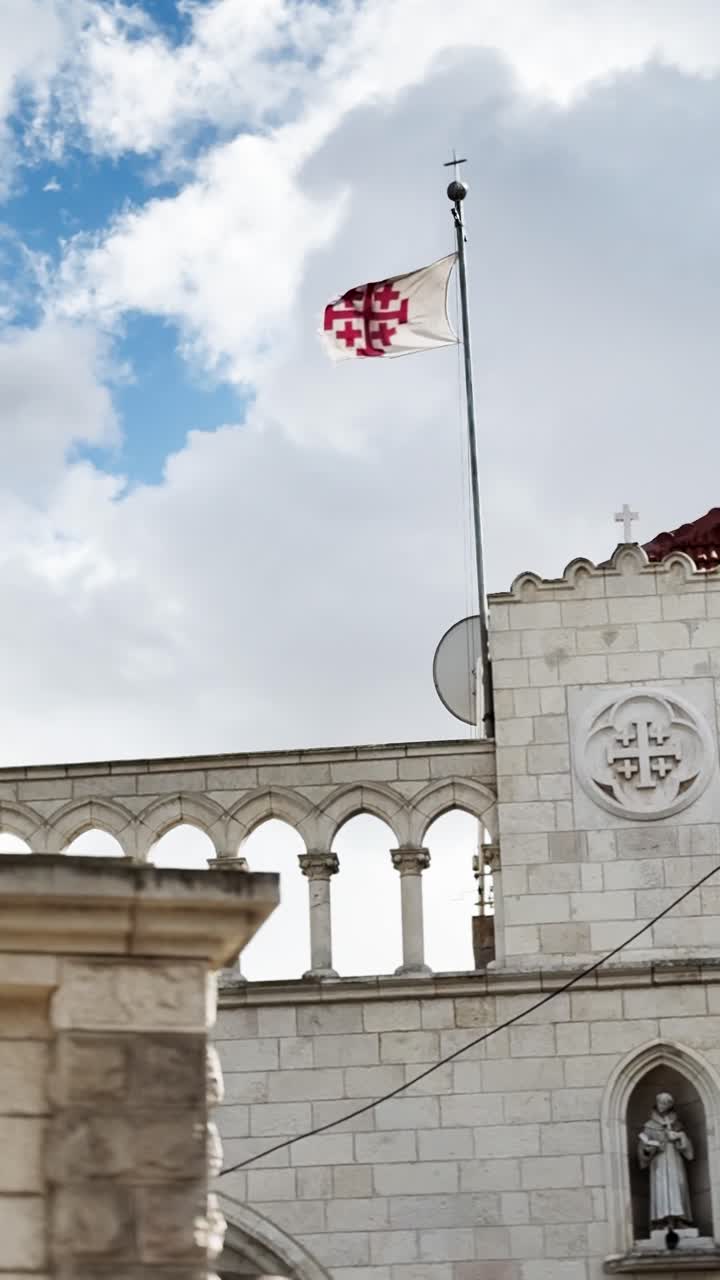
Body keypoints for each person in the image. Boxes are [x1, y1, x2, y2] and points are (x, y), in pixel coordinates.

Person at [638, 1091, 694, 1229]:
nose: (662, 1105)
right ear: (656, 1103)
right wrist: (648, 1148)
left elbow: (689, 1148)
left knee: (678, 1185)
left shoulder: (677, 1123)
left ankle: (679, 1219)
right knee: (661, 1188)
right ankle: (662, 1220)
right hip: (659, 1160)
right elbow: (642, 1147)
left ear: (670, 1105)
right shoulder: (649, 1125)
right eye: (660, 1102)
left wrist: (680, 1137)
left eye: (666, 1103)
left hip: (674, 1157)